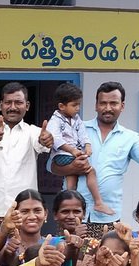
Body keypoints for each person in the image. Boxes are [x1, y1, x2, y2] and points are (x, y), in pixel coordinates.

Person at [50, 81, 139, 232]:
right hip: (72, 215)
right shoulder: (78, 128)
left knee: (106, 255)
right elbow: (53, 166)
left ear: (122, 106)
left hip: (107, 218)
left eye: (113, 103)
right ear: (96, 105)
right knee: (70, 254)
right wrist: (72, 168)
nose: (108, 108)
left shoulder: (129, 137)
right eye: (103, 103)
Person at [0, 82, 55, 238]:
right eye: (8, 102)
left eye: (18, 102)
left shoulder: (34, 132)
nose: (12, 107)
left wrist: (46, 140)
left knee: (22, 257)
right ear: (0, 105)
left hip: (24, 212)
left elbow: (42, 143)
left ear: (27, 106)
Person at [45, 83, 105, 213]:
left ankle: (67, 204)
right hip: (62, 155)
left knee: (72, 178)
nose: (78, 108)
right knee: (90, 171)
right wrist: (72, 150)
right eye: (74, 105)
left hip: (71, 155)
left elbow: (83, 134)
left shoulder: (76, 118)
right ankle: (98, 202)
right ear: (61, 106)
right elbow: (55, 138)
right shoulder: (55, 121)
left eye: (79, 105)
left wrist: (87, 145)